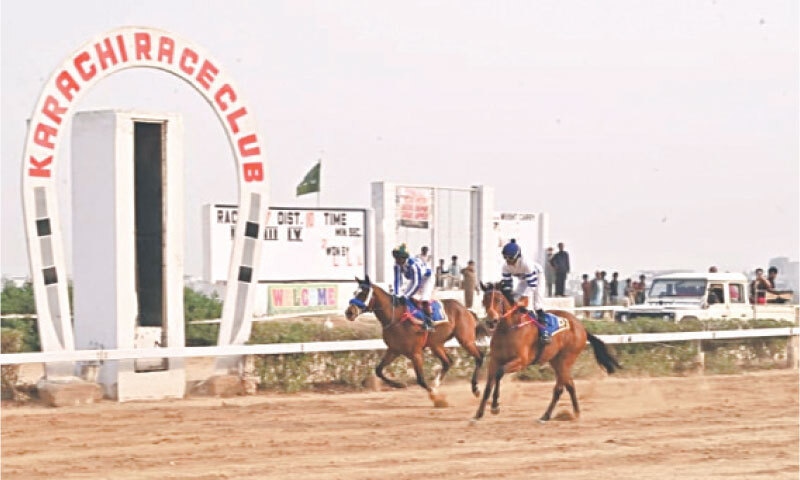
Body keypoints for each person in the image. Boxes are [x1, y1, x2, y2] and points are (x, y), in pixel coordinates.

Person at [500, 239, 551, 344]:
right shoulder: (505, 267)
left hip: (537, 278)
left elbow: (532, 285)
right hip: (523, 280)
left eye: (510, 258)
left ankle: (544, 332)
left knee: (537, 305)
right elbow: (508, 286)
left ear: (517, 256)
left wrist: (523, 299)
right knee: (514, 301)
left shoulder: (527, 264)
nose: (508, 261)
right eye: (505, 258)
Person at [392, 243, 435, 331]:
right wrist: (396, 294)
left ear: (404, 258)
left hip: (427, 278)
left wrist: (405, 296)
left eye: (398, 258)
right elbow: (397, 281)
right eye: (395, 258)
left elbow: (417, 284)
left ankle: (429, 323)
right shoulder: (397, 265)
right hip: (414, 279)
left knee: (424, 299)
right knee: (401, 296)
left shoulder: (414, 266)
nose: (396, 260)